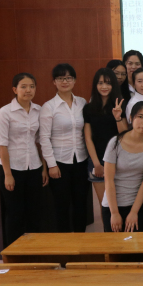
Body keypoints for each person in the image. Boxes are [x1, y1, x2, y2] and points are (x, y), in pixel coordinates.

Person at [0, 73, 48, 245]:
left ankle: (33, 250)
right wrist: (7, 174)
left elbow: (41, 142)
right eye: (23, 86)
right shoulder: (5, 112)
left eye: (32, 86)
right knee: (14, 213)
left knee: (35, 212)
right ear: (15, 89)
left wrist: (44, 168)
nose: (28, 90)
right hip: (13, 168)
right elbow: (2, 145)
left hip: (34, 167)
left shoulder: (38, 110)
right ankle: (13, 251)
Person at [39, 63, 90, 233]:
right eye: (60, 78)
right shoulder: (49, 107)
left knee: (81, 203)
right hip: (59, 163)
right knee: (62, 205)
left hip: (81, 160)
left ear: (74, 80)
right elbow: (44, 138)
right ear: (54, 82)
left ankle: (80, 240)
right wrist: (51, 165)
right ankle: (65, 242)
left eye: (68, 78)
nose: (65, 81)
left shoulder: (82, 103)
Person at [101, 101, 143, 232]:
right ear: (131, 118)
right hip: (112, 205)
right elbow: (108, 180)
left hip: (139, 206)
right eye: (140, 117)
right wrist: (114, 213)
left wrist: (134, 212)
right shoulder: (115, 142)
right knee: (113, 244)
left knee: (135, 244)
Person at [83, 68, 126, 215]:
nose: (104, 86)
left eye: (108, 83)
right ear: (95, 85)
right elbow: (88, 138)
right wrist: (96, 164)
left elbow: (124, 135)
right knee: (105, 207)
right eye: (100, 83)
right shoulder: (88, 108)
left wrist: (118, 117)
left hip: (118, 161)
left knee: (120, 205)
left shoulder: (120, 105)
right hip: (97, 161)